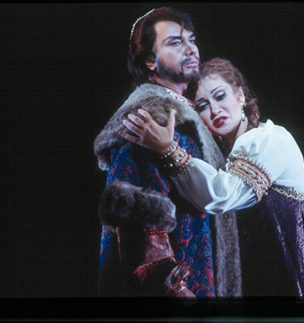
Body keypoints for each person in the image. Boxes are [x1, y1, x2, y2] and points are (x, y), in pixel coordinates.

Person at [120, 57, 304, 297]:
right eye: (202, 105)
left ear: (241, 96)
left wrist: (167, 149)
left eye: (220, 96)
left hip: (289, 278)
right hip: (252, 281)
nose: (214, 111)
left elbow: (222, 194)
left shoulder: (271, 140)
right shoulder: (222, 156)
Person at [93, 8, 241, 297]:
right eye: (174, 42)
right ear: (150, 60)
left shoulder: (186, 115)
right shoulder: (147, 116)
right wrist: (172, 288)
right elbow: (136, 211)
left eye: (191, 39)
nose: (190, 48)